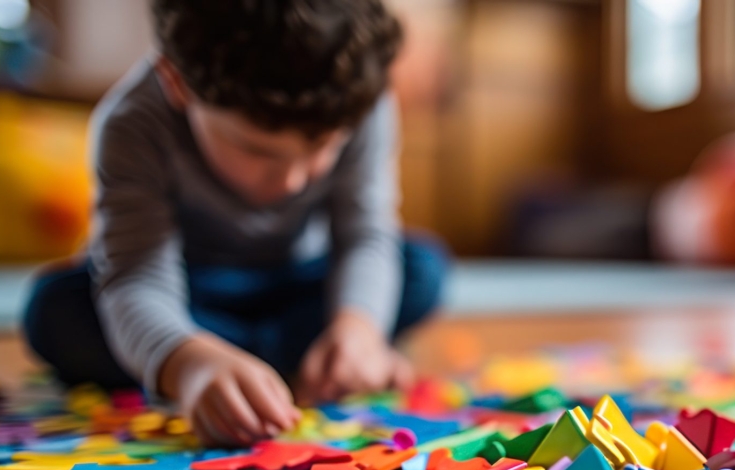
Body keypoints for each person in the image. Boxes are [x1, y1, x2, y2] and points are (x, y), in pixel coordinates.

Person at [22, 0, 446, 446]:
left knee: (420, 269)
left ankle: (288, 361)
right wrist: (187, 361)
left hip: (299, 282)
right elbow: (137, 277)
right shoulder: (132, 122)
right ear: (177, 82)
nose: (293, 179)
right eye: (258, 151)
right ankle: (261, 363)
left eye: (324, 145)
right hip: (191, 293)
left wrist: (358, 330)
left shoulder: (358, 96)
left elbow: (365, 236)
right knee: (58, 310)